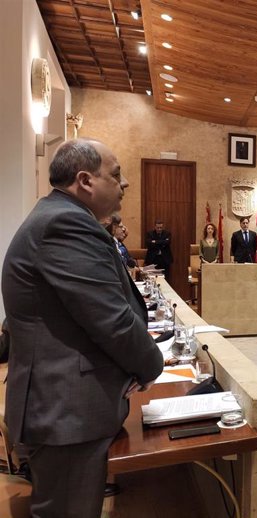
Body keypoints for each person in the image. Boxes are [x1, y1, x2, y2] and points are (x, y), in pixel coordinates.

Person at [1, 139, 164, 518]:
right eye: (117, 175)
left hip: (64, 407)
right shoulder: (65, 222)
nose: (124, 185)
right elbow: (111, 319)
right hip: (65, 411)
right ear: (85, 181)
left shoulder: (59, 215)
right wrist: (152, 365)